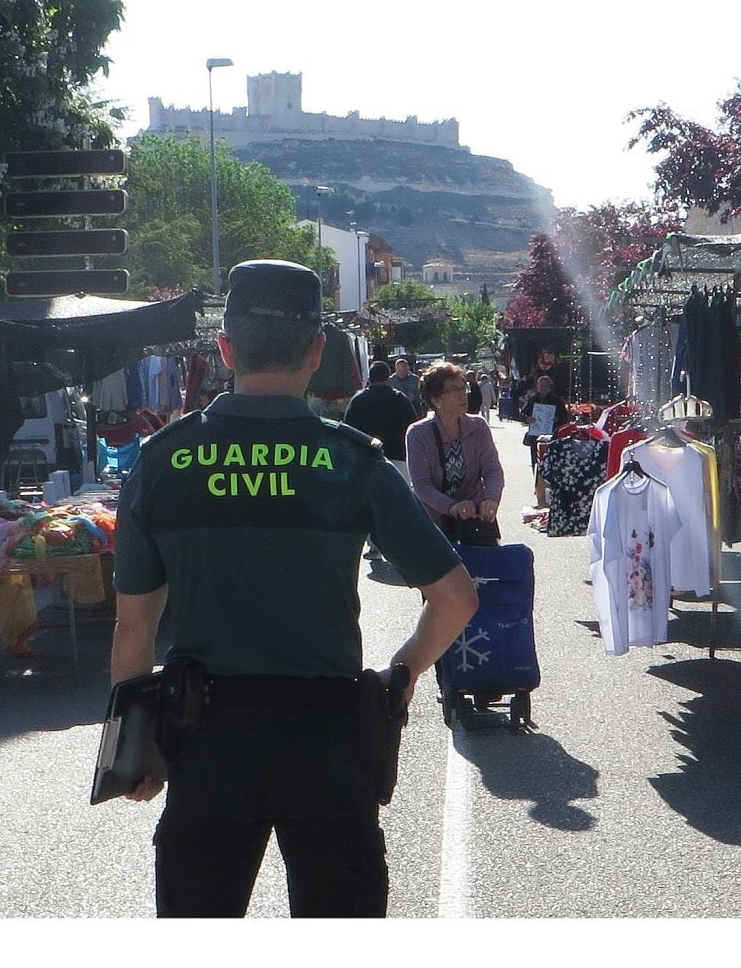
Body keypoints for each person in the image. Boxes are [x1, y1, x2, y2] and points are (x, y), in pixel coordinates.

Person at [111, 259, 477, 918]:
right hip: (328, 742)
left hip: (208, 745)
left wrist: (131, 752)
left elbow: (134, 626)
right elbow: (456, 597)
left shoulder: (163, 459)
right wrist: (402, 674)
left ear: (224, 349)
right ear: (317, 351)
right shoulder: (352, 458)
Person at [407, 361, 504, 540]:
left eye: (463, 388)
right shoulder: (418, 434)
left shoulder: (478, 426)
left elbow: (492, 470)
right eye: (454, 390)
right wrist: (452, 507)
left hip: (474, 521)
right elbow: (421, 485)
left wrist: (491, 498)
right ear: (435, 400)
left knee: (484, 566)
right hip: (434, 524)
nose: (463, 395)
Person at [343, 359, 418, 559]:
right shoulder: (401, 399)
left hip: (368, 459)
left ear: (371, 377)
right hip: (400, 458)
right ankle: (400, 545)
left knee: (371, 506)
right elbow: (414, 428)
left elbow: (348, 431)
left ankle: (375, 546)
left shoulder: (358, 401)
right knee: (399, 503)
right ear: (388, 378)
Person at [521, 375, 570, 472]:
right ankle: (537, 481)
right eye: (541, 385)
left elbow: (565, 417)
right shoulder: (532, 400)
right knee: (535, 460)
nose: (543, 388)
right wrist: (528, 419)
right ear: (537, 386)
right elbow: (522, 414)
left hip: (552, 436)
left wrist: (557, 419)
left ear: (550, 387)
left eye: (546, 386)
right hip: (535, 436)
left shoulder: (557, 401)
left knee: (550, 459)